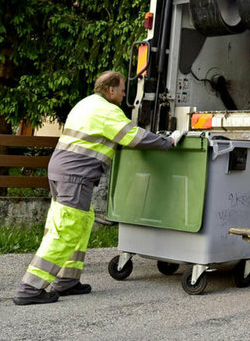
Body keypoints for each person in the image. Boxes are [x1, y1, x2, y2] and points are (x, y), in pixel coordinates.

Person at [13, 71, 185, 305]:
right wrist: (169, 141)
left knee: (80, 223)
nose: (125, 94)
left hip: (62, 171)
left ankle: (68, 281)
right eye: (123, 89)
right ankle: (30, 288)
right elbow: (133, 137)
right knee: (67, 230)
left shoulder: (86, 104)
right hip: (76, 176)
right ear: (111, 90)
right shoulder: (107, 111)